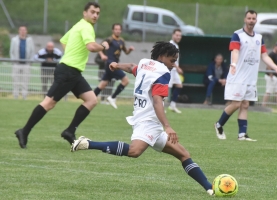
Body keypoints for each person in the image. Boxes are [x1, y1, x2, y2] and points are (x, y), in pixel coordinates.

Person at [71, 42, 214, 196]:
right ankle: (88, 143)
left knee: (183, 154)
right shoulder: (162, 73)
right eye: (172, 60)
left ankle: (210, 188)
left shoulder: (145, 64)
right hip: (149, 121)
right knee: (134, 151)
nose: (174, 64)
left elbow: (132, 66)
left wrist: (117, 65)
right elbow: (157, 101)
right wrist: (168, 126)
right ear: (162, 56)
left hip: (146, 120)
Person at [14, 2, 109, 148]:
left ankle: (69, 131)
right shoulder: (86, 26)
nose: (95, 15)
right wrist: (103, 46)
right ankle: (24, 131)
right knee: (48, 103)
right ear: (85, 13)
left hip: (73, 72)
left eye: (97, 13)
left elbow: (63, 40)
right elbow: (91, 46)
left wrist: (71, 54)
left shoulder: (78, 25)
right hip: (67, 71)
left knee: (91, 100)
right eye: (92, 12)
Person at [214, 10, 277, 141]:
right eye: (249, 18)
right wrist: (234, 64)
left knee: (245, 104)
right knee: (236, 104)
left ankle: (242, 134)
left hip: (250, 78)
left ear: (256, 20)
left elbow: (264, 55)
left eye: (253, 18)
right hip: (238, 76)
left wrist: (276, 68)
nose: (251, 20)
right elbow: (235, 51)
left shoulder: (259, 37)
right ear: (245, 19)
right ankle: (219, 124)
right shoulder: (237, 35)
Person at [94, 23, 134, 109]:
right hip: (111, 64)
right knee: (126, 81)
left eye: (119, 29)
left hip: (115, 65)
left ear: (121, 30)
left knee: (102, 84)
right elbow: (99, 47)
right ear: (113, 30)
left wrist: (129, 50)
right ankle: (112, 97)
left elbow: (126, 52)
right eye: (116, 29)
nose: (117, 31)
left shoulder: (122, 41)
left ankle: (92, 98)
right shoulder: (109, 39)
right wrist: (102, 55)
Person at [9, 26, 35, 100]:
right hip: (16, 64)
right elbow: (12, 52)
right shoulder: (14, 40)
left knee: (25, 80)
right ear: (19, 31)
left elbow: (32, 52)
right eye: (21, 30)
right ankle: (15, 95)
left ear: (26, 31)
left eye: (24, 30)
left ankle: (24, 96)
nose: (23, 31)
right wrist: (13, 61)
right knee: (15, 80)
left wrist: (30, 62)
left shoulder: (30, 40)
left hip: (26, 64)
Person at [168, 28, 184, 113]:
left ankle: (172, 105)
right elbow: (170, 60)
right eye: (177, 35)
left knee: (179, 85)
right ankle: (159, 107)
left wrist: (177, 68)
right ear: (173, 35)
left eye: (180, 36)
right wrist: (178, 68)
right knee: (166, 89)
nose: (178, 37)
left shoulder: (176, 45)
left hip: (174, 70)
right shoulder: (171, 45)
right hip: (170, 70)